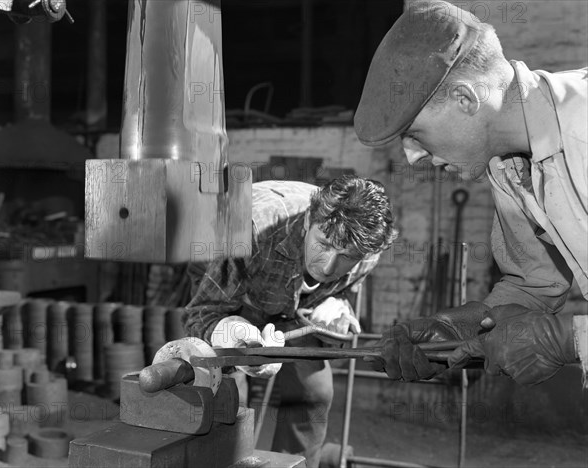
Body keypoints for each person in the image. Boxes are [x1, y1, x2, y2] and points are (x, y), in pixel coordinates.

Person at [354, 0, 587, 386]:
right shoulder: (508, 167)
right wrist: (464, 327)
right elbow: (537, 285)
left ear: (465, 99)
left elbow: (553, 334)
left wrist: (563, 340)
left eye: (414, 133)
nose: (412, 158)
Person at [183, 175, 397, 467]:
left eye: (347, 257)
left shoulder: (368, 251)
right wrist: (235, 334)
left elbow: (339, 286)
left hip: (293, 303)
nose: (329, 265)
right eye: (323, 244)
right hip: (231, 286)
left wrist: (336, 304)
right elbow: (202, 313)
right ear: (309, 220)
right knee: (227, 392)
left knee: (314, 392)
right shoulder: (251, 226)